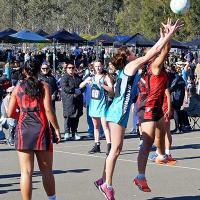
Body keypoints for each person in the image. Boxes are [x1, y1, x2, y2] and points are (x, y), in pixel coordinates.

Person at [94, 18, 183, 200]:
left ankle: (103, 179)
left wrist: (165, 37)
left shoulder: (129, 68)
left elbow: (154, 52)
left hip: (119, 111)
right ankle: (107, 185)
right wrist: (170, 35)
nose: (135, 53)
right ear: (127, 57)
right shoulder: (130, 66)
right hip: (118, 112)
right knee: (116, 149)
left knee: (115, 149)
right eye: (132, 52)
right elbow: (155, 52)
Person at [7, 60, 61, 200]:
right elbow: (48, 110)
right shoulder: (44, 86)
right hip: (41, 129)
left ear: (24, 71)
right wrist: (56, 128)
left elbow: (10, 113)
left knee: (25, 172)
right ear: (38, 70)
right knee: (47, 170)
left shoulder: (18, 88)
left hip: (23, 129)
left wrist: (22, 114)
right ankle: (52, 198)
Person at [80, 60, 113, 154]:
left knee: (105, 126)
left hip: (102, 105)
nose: (98, 68)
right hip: (93, 105)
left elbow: (111, 89)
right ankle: (97, 145)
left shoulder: (105, 77)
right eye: (96, 66)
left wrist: (102, 85)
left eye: (99, 66)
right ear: (93, 67)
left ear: (102, 66)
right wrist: (86, 81)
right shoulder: (91, 77)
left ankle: (109, 145)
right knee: (96, 126)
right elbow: (80, 86)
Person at [61, 62, 83, 141]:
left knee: (76, 116)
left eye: (72, 67)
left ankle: (74, 132)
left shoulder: (78, 77)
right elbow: (64, 88)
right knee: (68, 116)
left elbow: (83, 86)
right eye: (69, 68)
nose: (71, 69)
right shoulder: (64, 77)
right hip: (68, 100)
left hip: (77, 100)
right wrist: (74, 91)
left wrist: (80, 91)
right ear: (66, 69)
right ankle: (67, 132)